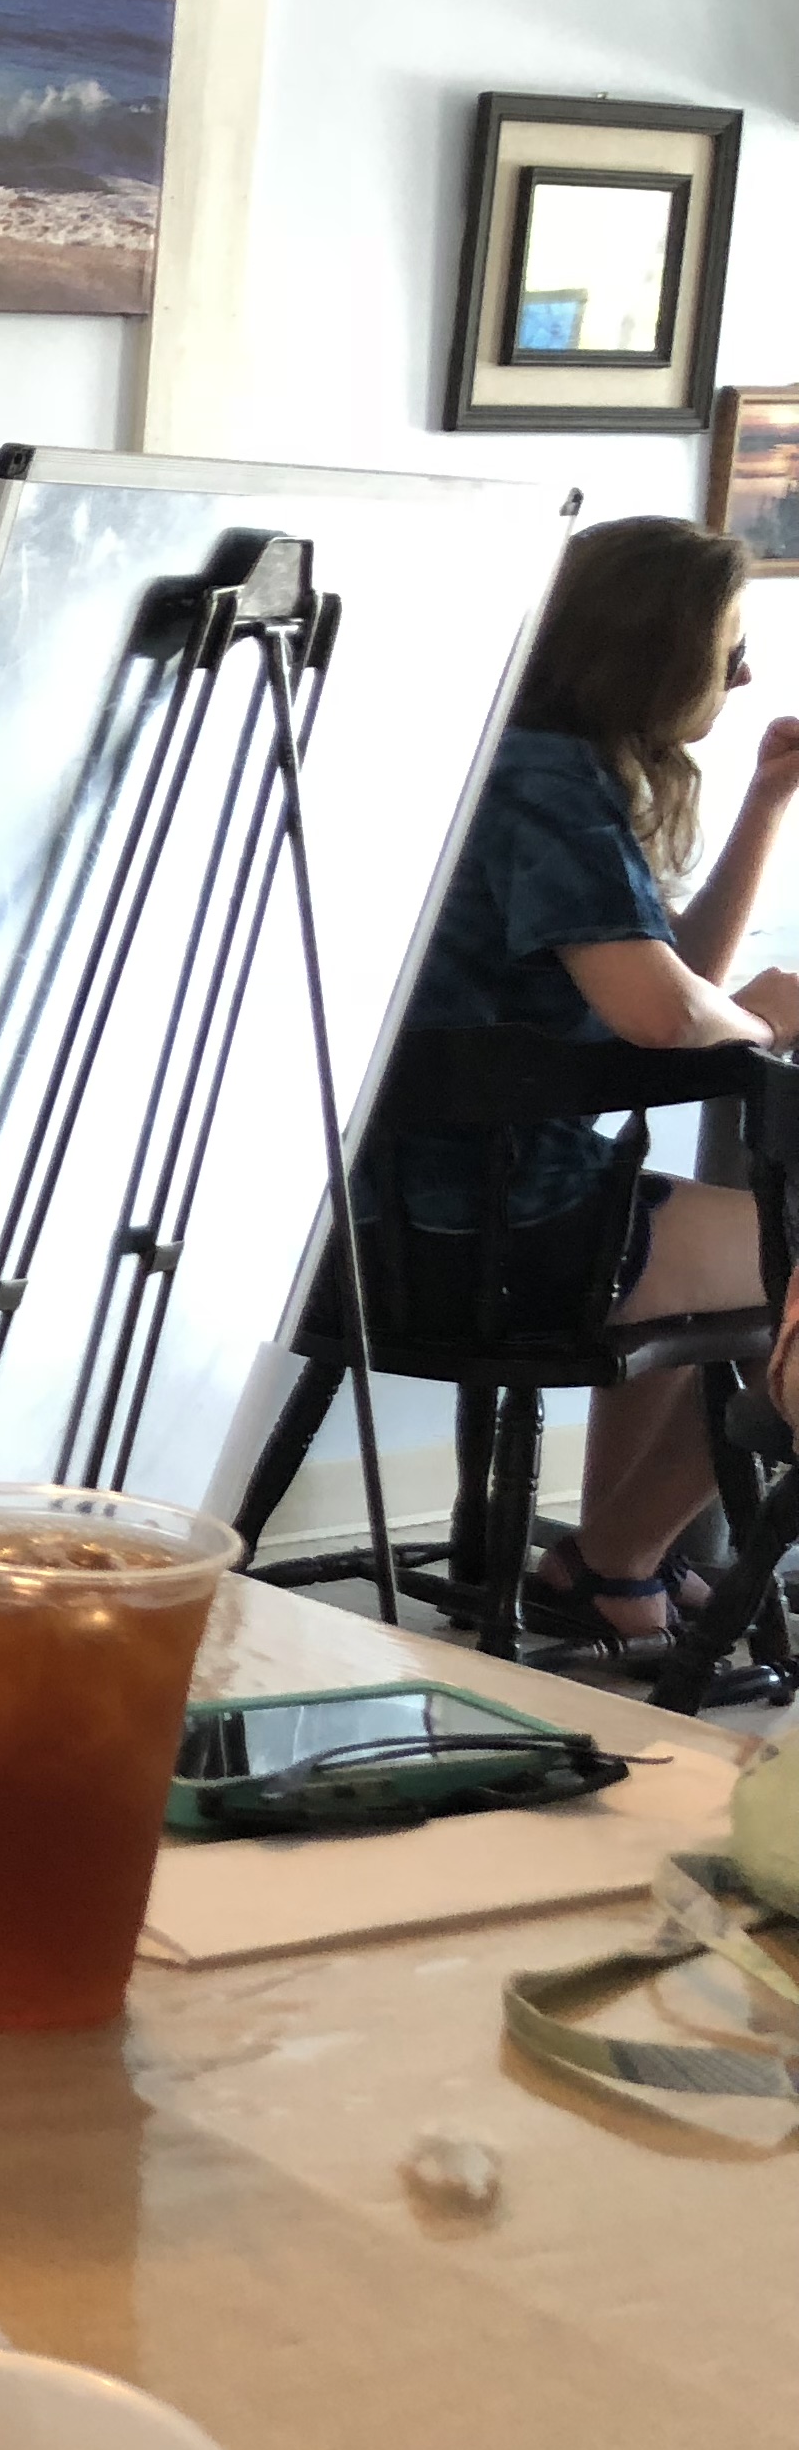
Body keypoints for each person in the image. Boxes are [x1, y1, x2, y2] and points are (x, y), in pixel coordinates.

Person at [371, 514, 799, 1642]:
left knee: (704, 1263)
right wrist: (761, 1020)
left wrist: (765, 802)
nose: (743, 673)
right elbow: (663, 1015)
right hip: (477, 1221)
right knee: (791, 1275)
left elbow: (670, 981)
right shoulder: (548, 784)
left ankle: (617, 1569)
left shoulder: (522, 758)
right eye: (727, 647)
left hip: (404, 1203)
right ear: (656, 653)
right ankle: (616, 1560)